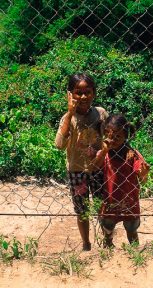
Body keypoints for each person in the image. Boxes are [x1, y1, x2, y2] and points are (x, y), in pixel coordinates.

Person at [55, 73, 108, 251]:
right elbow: (59, 144)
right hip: (77, 172)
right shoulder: (67, 119)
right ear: (70, 94)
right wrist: (70, 113)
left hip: (99, 168)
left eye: (88, 92)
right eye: (78, 92)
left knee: (103, 207)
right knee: (82, 211)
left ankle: (107, 241)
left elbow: (110, 137)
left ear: (94, 93)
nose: (83, 97)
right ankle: (86, 244)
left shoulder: (100, 113)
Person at [94, 114, 150, 248]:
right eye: (107, 134)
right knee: (107, 228)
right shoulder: (104, 154)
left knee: (131, 229)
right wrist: (104, 151)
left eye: (117, 137)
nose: (111, 139)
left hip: (129, 202)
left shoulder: (132, 155)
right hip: (110, 201)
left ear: (126, 137)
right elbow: (94, 167)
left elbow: (142, 179)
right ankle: (108, 247)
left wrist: (144, 174)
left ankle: (135, 251)